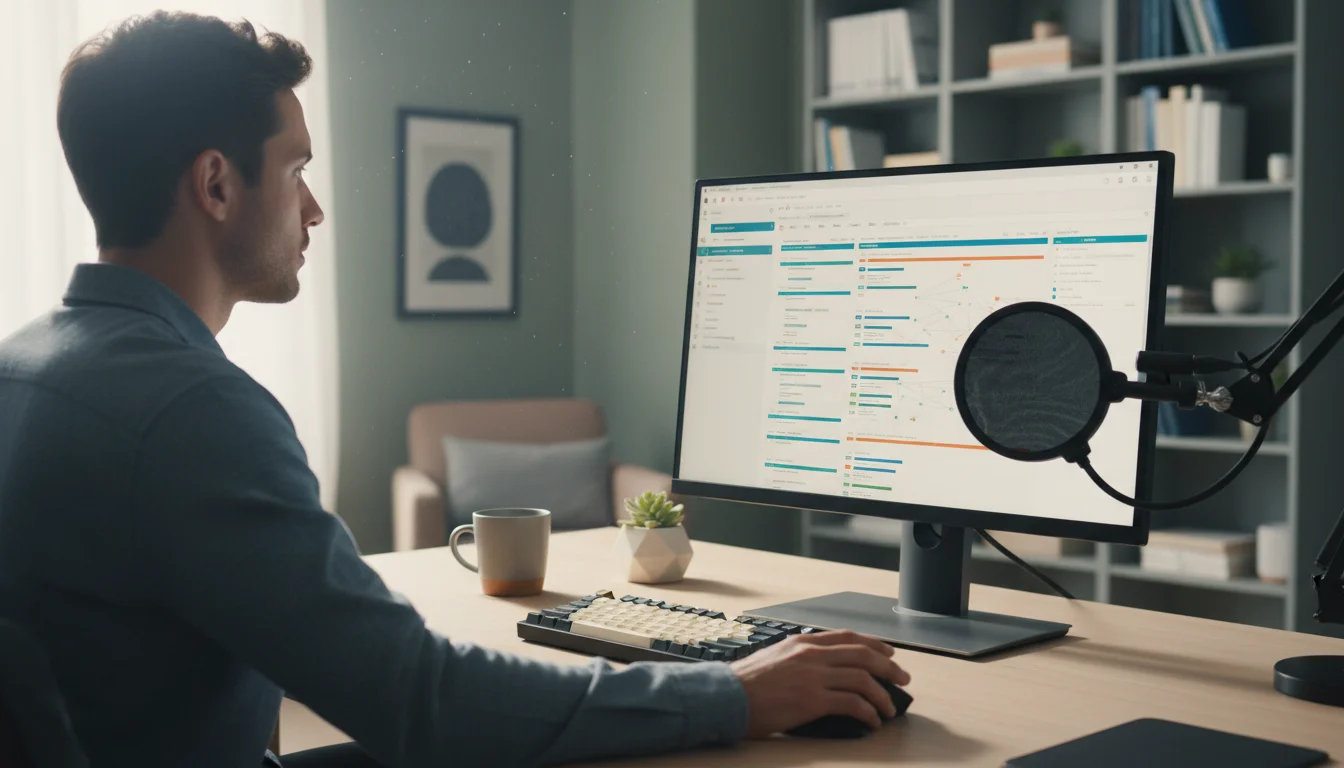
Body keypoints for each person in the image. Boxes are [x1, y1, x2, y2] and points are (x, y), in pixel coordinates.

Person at [0, 12, 911, 768]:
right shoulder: (193, 412)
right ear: (215, 184)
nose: (314, 208)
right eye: (297, 169)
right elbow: (421, 702)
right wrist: (733, 690)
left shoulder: (24, 365)